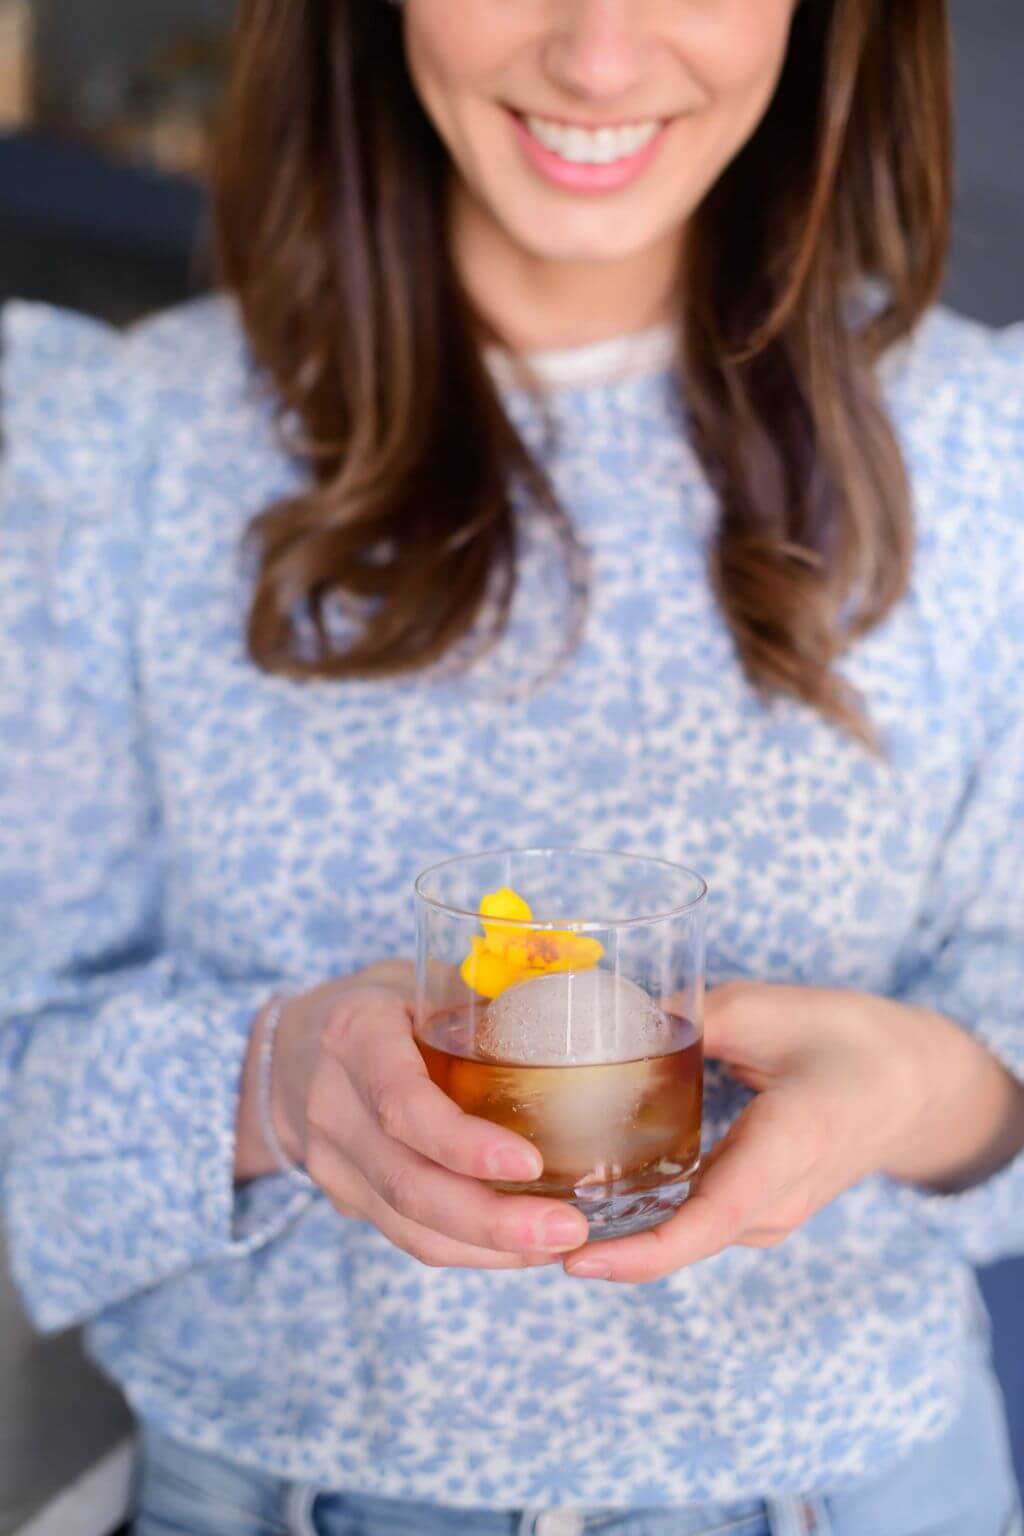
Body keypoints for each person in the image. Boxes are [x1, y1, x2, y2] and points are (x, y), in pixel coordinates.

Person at [1, 0, 1022, 1532]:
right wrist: (277, 1084)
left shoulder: (984, 453)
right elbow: (26, 1088)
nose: (598, 56)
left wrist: (937, 1091)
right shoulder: (112, 448)